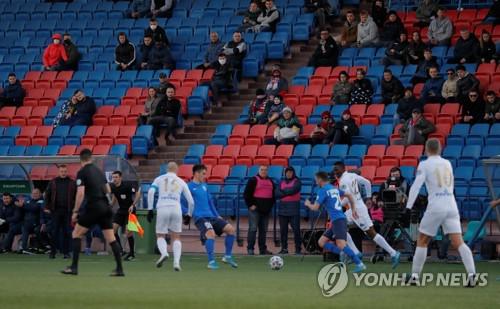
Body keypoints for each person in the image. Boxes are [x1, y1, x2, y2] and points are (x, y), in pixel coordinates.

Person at [405, 139, 477, 286]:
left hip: (436, 205)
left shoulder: (424, 164)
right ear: (440, 149)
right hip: (451, 204)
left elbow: (416, 186)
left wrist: (408, 206)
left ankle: (414, 277)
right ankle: (472, 275)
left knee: (422, 240)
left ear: (426, 149)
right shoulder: (447, 163)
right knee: (459, 242)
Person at [61, 149, 124, 276]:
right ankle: (119, 269)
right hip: (105, 207)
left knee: (76, 234)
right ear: (91, 158)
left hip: (93, 206)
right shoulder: (99, 171)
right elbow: (107, 189)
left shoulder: (82, 172)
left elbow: (80, 193)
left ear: (81, 159)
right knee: (111, 238)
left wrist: (75, 211)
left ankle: (74, 267)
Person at [333, 161, 401, 268]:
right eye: (334, 170)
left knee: (371, 233)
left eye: (336, 170)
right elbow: (367, 183)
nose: (335, 173)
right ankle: (355, 252)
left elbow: (348, 197)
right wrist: (368, 197)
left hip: (357, 210)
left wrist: (338, 205)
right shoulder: (352, 175)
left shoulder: (343, 182)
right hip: (354, 208)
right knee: (339, 225)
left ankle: (393, 253)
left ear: (342, 170)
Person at [305, 171, 367, 272]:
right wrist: (353, 208)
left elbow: (315, 208)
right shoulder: (333, 188)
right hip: (337, 220)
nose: (315, 181)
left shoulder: (322, 190)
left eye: (316, 179)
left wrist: (308, 204)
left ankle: (359, 264)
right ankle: (343, 253)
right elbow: (350, 195)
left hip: (338, 220)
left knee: (341, 244)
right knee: (321, 242)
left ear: (320, 179)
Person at [186, 164, 238, 269]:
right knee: (211, 234)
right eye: (203, 174)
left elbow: (210, 202)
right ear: (196, 173)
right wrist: (189, 213)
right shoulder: (188, 187)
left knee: (231, 230)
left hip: (212, 216)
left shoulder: (205, 186)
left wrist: (217, 215)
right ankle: (211, 261)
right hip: (200, 217)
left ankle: (227, 256)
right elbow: (182, 203)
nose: (205, 176)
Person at [147, 162, 194, 271]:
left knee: (160, 235)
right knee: (176, 236)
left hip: (162, 207)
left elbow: (150, 192)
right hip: (176, 208)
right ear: (177, 170)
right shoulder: (181, 181)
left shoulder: (159, 179)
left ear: (167, 169)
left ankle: (164, 253)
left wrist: (150, 209)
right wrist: (189, 215)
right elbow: (191, 202)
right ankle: (176, 263)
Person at [44, 165, 76, 259]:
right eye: (62, 171)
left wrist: (75, 208)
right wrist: (46, 207)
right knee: (55, 232)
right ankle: (53, 252)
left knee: (67, 232)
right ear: (58, 172)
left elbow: (76, 196)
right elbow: (47, 195)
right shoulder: (53, 182)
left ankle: (66, 253)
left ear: (67, 171)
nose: (63, 173)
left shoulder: (72, 182)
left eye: (65, 171)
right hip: (55, 211)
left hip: (67, 211)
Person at [244, 165, 275, 255]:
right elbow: (246, 194)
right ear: (259, 170)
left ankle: (262, 249)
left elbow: (273, 196)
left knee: (263, 230)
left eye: (265, 170)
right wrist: (250, 205)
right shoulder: (253, 180)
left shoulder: (271, 181)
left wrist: (270, 206)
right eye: (262, 170)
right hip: (255, 210)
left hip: (266, 211)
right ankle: (250, 249)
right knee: (253, 229)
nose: (264, 171)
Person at [110, 171, 141, 262]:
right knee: (113, 230)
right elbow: (115, 197)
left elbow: (138, 193)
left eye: (116, 177)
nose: (114, 179)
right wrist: (110, 206)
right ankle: (121, 250)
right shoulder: (113, 187)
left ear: (120, 178)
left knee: (128, 232)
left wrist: (133, 205)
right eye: (113, 177)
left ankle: (132, 254)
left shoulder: (127, 185)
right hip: (121, 210)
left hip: (130, 211)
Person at [276, 167, 302, 255]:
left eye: (290, 172)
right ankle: (284, 248)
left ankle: (298, 249)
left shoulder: (297, 181)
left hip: (294, 209)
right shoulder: (281, 182)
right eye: (287, 172)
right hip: (282, 209)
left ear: (293, 173)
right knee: (283, 230)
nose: (289, 174)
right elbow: (276, 193)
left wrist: (282, 192)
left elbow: (294, 190)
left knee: (296, 230)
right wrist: (286, 192)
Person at [20, 189, 44, 254]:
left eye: (36, 193)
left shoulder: (41, 201)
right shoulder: (28, 201)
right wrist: (21, 206)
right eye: (33, 193)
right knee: (23, 226)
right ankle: (24, 248)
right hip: (27, 222)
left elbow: (34, 208)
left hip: (37, 223)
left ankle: (42, 247)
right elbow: (23, 209)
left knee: (27, 227)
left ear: (40, 194)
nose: (34, 195)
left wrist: (23, 205)